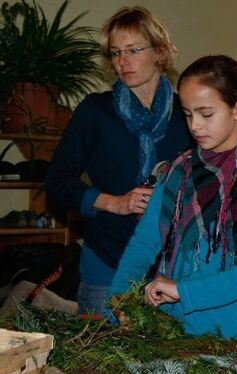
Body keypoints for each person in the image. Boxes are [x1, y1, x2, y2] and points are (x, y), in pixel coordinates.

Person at [108, 55, 237, 340]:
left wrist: (183, 291)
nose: (195, 126)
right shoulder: (178, 171)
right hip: (163, 330)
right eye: (188, 114)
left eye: (206, 114)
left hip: (223, 338)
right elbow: (144, 242)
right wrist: (118, 298)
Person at [45, 6, 192, 316]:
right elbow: (56, 183)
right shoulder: (95, 112)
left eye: (134, 50)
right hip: (107, 264)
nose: (123, 62)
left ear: (160, 52)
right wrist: (113, 202)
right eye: (115, 53)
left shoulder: (188, 114)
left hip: (170, 270)